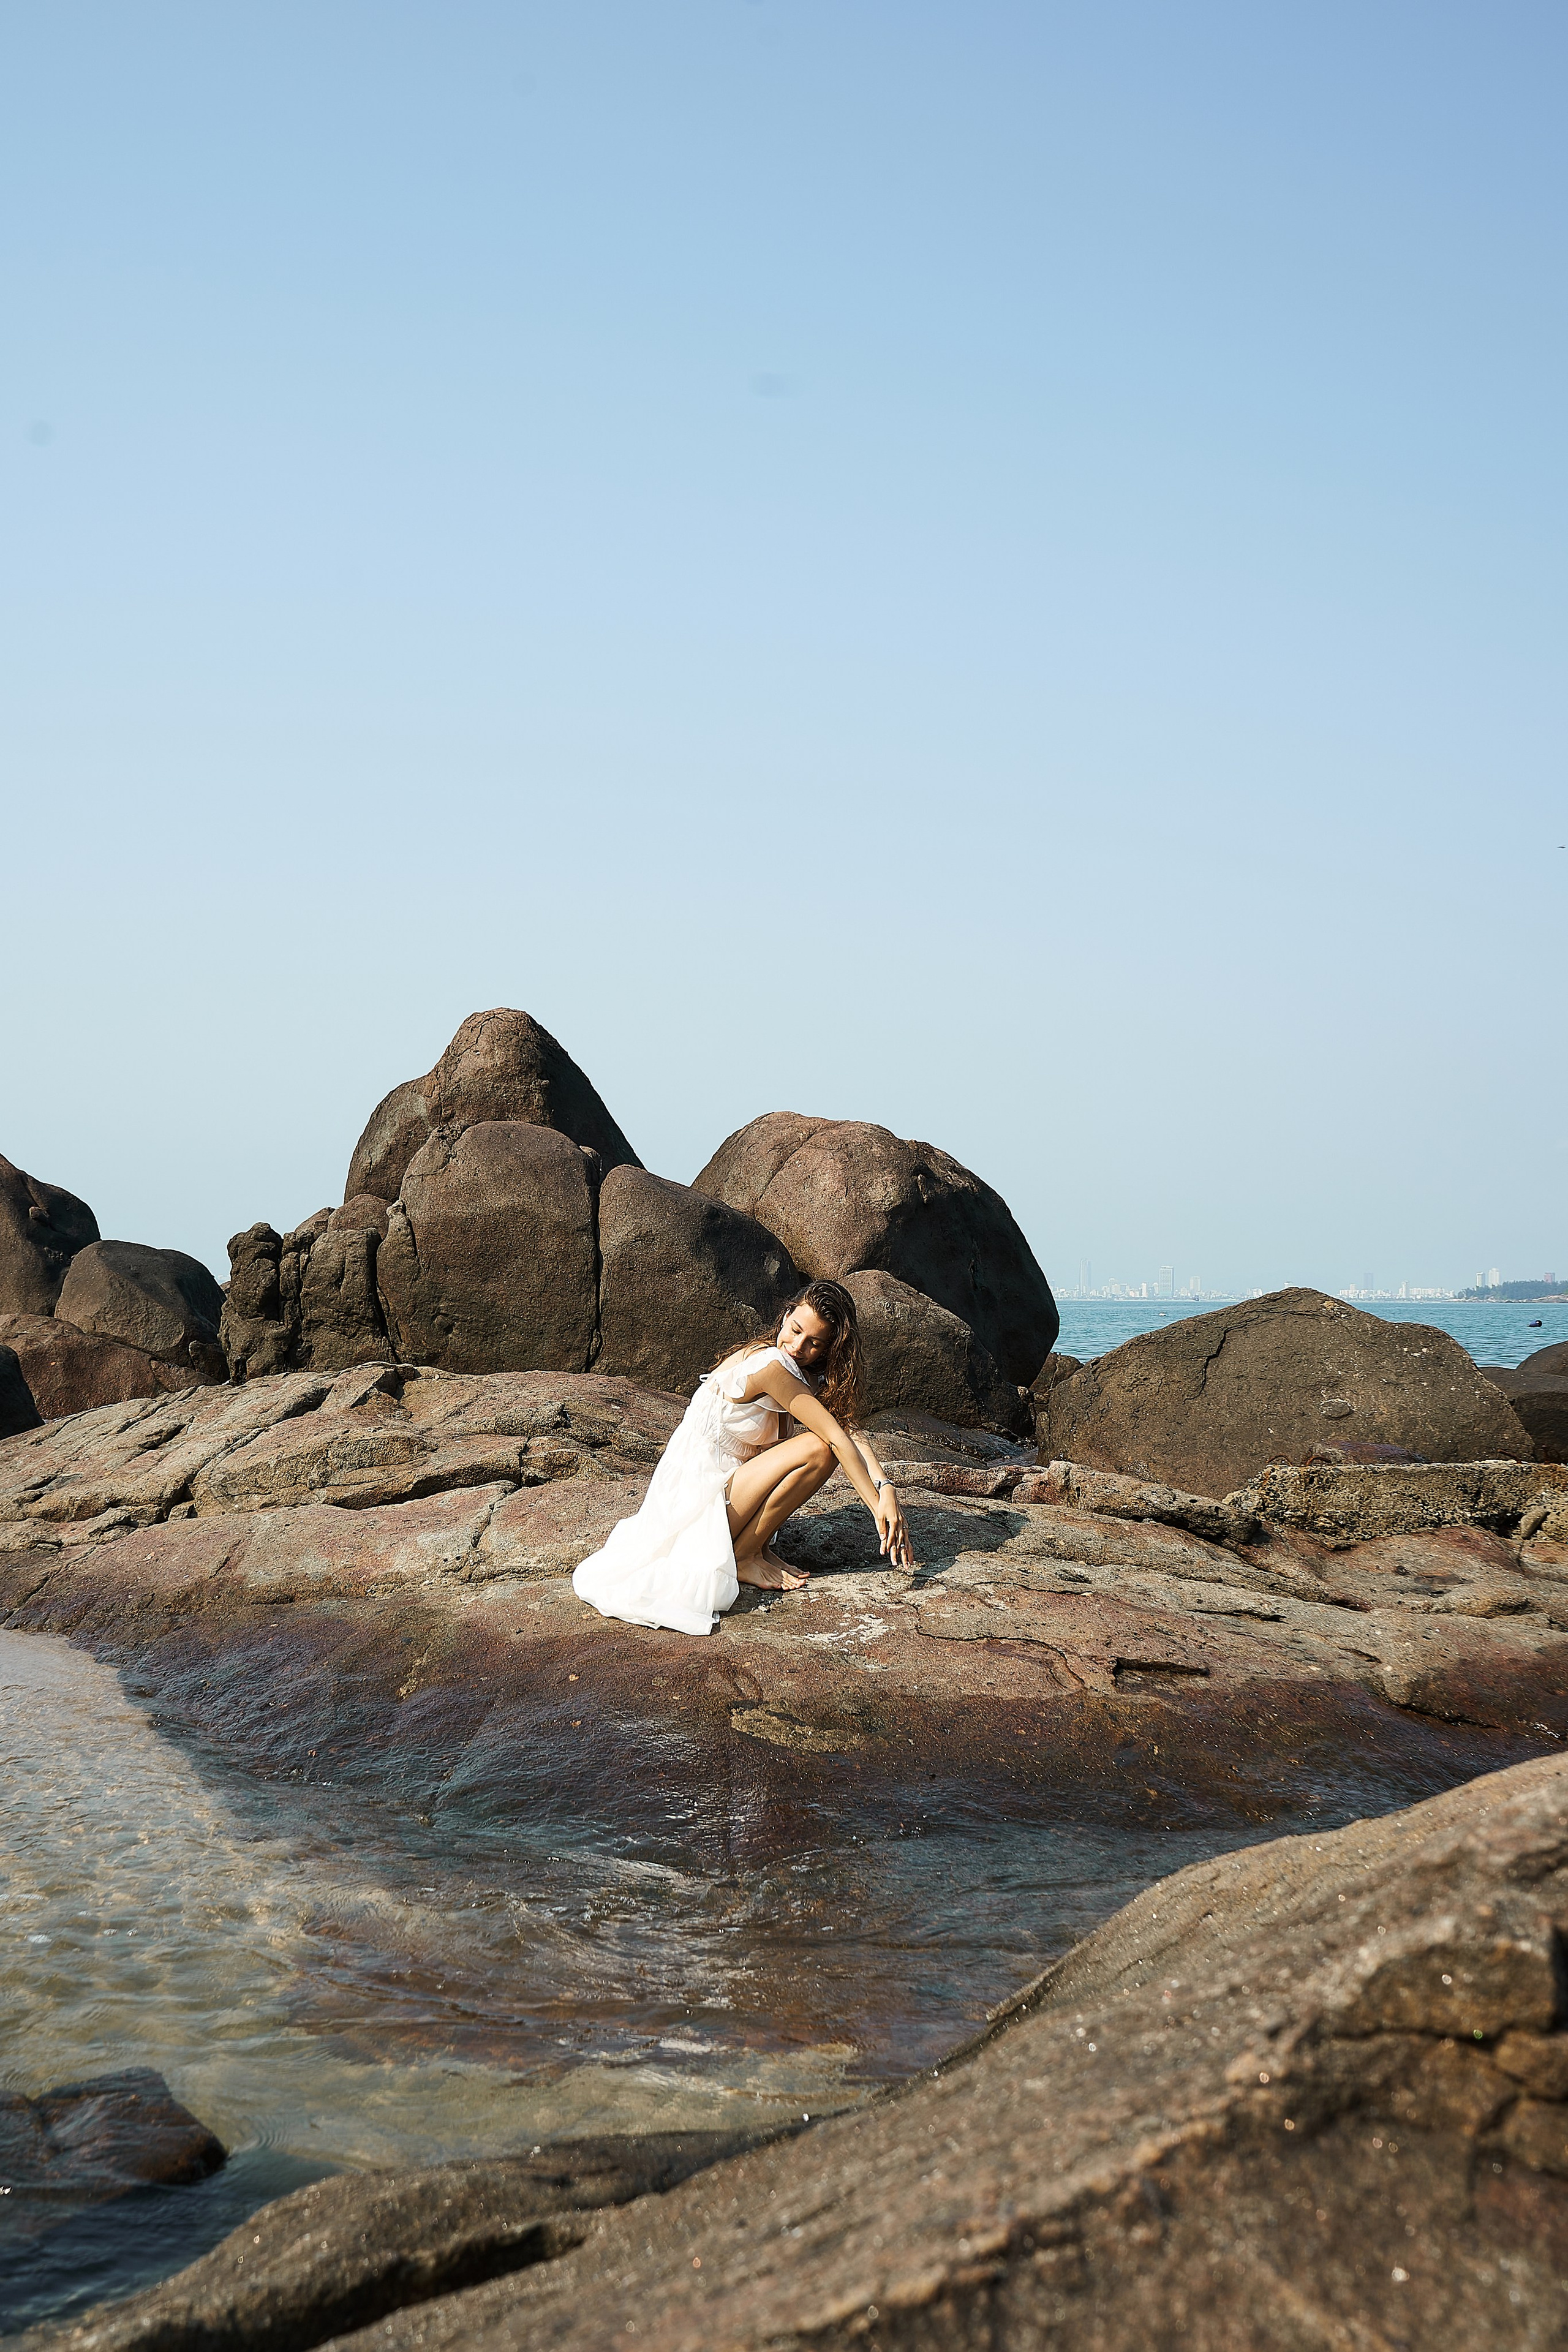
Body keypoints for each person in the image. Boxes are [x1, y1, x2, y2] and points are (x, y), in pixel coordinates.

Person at [571, 1279, 914, 1636]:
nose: (799, 1347)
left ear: (829, 1349)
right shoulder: (771, 1366)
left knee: (821, 1445)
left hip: (722, 1491)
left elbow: (847, 1426)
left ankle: (753, 1548)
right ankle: (744, 1555)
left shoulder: (793, 1369)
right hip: (696, 1501)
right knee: (818, 1450)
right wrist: (878, 1508)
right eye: (796, 1330)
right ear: (786, 1315)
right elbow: (837, 1440)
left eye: (814, 1343)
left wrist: (885, 1486)